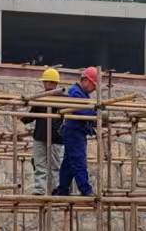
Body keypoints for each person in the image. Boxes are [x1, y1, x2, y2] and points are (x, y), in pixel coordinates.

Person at [53, 66, 100, 197]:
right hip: (74, 132)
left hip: (77, 131)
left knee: (69, 162)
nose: (94, 89)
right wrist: (96, 113)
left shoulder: (83, 94)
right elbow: (81, 110)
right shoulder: (75, 92)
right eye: (93, 85)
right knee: (78, 159)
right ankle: (85, 189)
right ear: (85, 80)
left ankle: (62, 188)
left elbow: (86, 111)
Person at [22, 68, 65, 194]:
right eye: (45, 82)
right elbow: (31, 116)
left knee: (55, 166)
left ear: (54, 83)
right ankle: (40, 189)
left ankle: (55, 189)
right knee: (40, 164)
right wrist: (21, 117)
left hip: (55, 137)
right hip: (40, 136)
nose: (45, 84)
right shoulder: (40, 98)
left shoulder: (63, 98)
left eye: (47, 81)